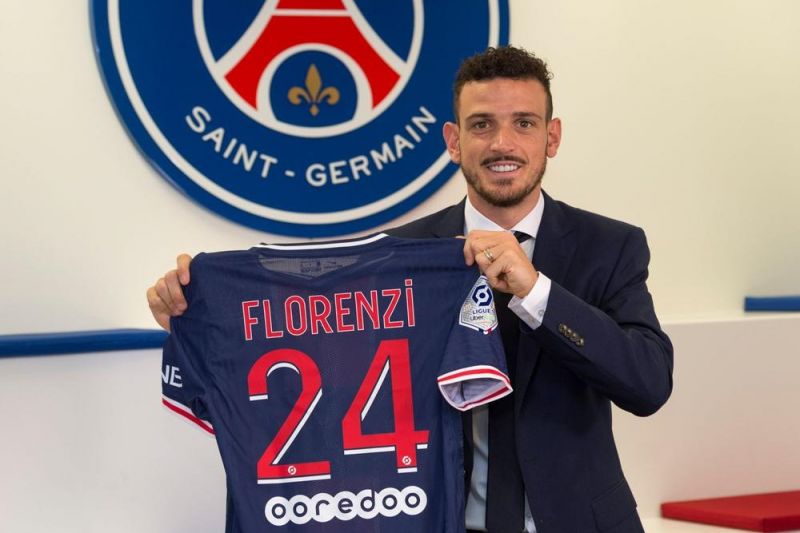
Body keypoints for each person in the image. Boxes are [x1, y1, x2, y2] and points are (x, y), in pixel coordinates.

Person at [148, 46, 673, 533]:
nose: (502, 144)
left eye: (524, 123)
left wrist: (536, 292)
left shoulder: (611, 246)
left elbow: (648, 383)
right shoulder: (396, 256)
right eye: (481, 125)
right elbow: (326, 360)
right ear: (453, 140)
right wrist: (203, 319)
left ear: (551, 137)